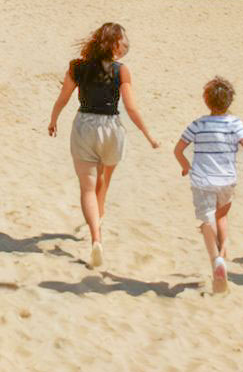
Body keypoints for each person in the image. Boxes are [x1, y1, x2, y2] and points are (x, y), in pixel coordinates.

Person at [45, 23, 161, 269]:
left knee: (87, 189)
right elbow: (131, 108)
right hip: (111, 128)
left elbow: (63, 99)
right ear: (116, 45)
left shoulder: (77, 67)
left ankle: (96, 239)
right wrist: (148, 135)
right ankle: (100, 220)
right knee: (103, 183)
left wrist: (53, 119)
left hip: (84, 126)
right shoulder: (121, 71)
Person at [172, 77, 243, 294]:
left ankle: (216, 261)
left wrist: (185, 165)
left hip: (203, 179)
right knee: (221, 216)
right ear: (230, 101)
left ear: (206, 100)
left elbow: (178, 150)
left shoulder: (198, 124)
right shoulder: (235, 123)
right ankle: (223, 254)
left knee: (206, 220)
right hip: (226, 179)